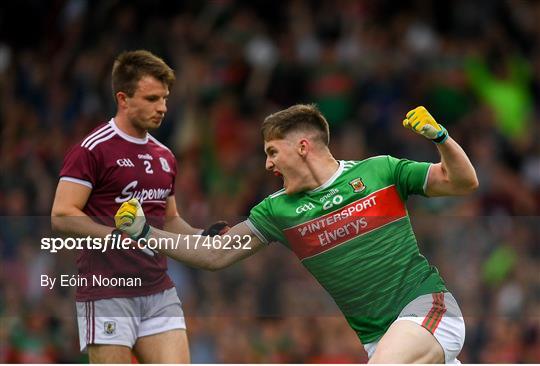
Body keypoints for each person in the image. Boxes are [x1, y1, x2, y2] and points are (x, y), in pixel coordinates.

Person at [116, 104, 478, 363]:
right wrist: (144, 231)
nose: (268, 164)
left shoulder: (379, 171)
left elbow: (462, 182)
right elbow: (215, 253)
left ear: (302, 147)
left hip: (428, 310)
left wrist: (442, 139)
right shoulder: (278, 210)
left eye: (273, 152)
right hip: (377, 340)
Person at [51, 50, 226, 363]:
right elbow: (62, 215)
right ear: (123, 99)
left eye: (165, 99)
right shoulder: (92, 149)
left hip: (158, 291)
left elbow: (169, 220)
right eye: (152, 98)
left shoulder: (165, 156)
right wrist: (117, 236)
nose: (162, 108)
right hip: (107, 293)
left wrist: (201, 236)